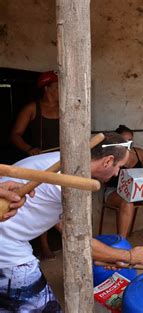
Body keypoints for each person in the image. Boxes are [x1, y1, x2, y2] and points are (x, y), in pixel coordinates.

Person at [0, 133, 143, 312]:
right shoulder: (71, 180)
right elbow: (77, 240)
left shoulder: (61, 164)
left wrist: (108, 255)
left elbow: (63, 225)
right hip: (7, 248)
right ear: (107, 161)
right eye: (118, 166)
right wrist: (128, 256)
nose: (117, 173)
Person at [10, 70, 61, 260]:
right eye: (57, 87)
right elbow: (15, 135)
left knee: (60, 201)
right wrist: (30, 149)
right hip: (40, 163)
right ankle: (44, 245)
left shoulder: (65, 108)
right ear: (47, 88)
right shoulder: (33, 108)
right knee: (41, 202)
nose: (61, 90)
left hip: (61, 160)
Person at [105, 125, 143, 261]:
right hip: (114, 192)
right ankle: (122, 246)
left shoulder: (139, 153)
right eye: (124, 141)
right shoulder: (111, 155)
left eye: (130, 141)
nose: (128, 145)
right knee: (127, 202)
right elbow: (103, 179)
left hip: (138, 192)